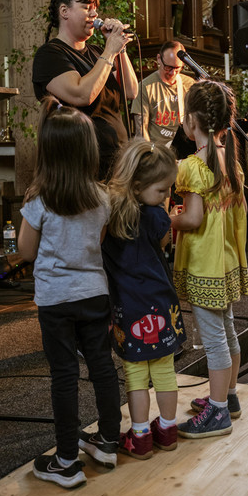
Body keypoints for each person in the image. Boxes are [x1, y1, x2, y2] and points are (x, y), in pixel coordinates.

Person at [18, 97, 122, 489]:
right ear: (89, 150)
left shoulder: (39, 199)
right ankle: (108, 441)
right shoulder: (102, 197)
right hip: (94, 294)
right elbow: (98, 242)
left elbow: (26, 252)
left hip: (56, 300)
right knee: (102, 366)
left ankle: (65, 461)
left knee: (64, 375)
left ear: (48, 151)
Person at [170, 80, 248, 438]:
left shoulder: (192, 165)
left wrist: (168, 219)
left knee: (214, 339)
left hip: (204, 264)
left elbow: (192, 219)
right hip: (226, 260)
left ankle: (217, 413)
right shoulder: (229, 159)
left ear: (191, 121)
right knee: (228, 329)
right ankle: (228, 397)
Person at [102, 138, 186, 459]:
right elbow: (162, 243)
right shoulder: (155, 216)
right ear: (137, 186)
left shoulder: (109, 214)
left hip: (128, 308)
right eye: (162, 190)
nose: (166, 196)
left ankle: (140, 437)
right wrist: (165, 213)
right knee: (164, 370)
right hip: (161, 304)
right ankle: (167, 430)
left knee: (135, 374)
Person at [32, 0, 138, 181]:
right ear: (64, 11)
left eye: (95, 8)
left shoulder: (98, 52)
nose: (94, 14)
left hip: (117, 159)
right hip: (81, 164)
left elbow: (131, 91)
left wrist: (120, 49)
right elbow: (82, 95)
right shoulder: (50, 54)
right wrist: (110, 51)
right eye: (87, 7)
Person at [131, 40, 194, 147]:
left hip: (184, 148)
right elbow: (141, 130)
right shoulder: (144, 87)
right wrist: (150, 152)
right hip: (157, 149)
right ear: (159, 59)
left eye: (177, 68)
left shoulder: (190, 84)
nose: (172, 73)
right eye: (168, 67)